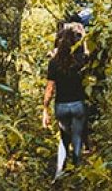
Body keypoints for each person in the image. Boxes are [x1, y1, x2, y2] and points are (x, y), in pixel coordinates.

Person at [42, 28, 87, 178]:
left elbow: (50, 88)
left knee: (63, 139)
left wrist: (45, 109)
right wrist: (84, 37)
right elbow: (88, 54)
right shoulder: (80, 60)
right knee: (77, 137)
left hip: (61, 105)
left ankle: (60, 170)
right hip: (78, 104)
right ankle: (77, 169)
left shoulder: (54, 63)